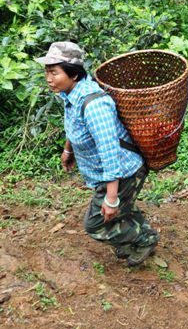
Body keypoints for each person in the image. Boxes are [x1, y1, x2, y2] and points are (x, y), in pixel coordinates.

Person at [36, 41, 158, 266]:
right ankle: (133, 236)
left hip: (125, 171)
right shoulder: (70, 94)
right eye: (47, 72)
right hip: (111, 172)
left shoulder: (94, 105)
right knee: (125, 209)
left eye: (54, 72)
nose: (49, 78)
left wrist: (111, 198)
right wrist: (67, 150)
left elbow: (109, 152)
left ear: (73, 75)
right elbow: (74, 125)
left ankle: (144, 239)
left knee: (96, 224)